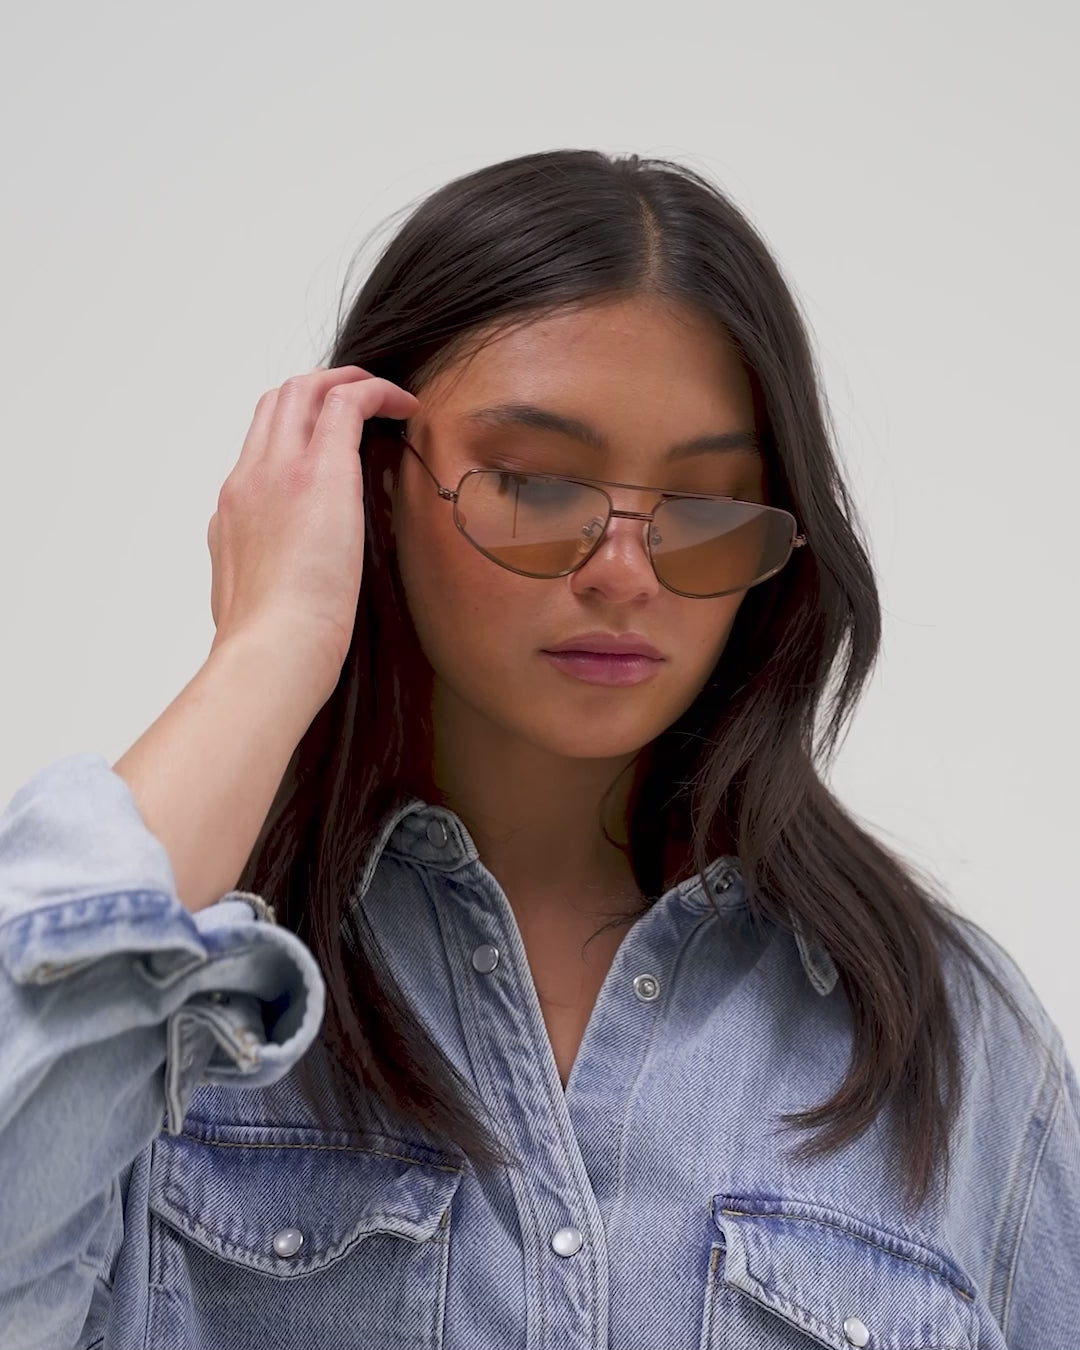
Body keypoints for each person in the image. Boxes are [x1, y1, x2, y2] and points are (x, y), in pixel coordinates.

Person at [0, 149, 1076, 1350]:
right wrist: (270, 646)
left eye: (709, 505)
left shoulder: (950, 1042)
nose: (626, 573)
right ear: (379, 491)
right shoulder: (189, 982)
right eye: (531, 483)